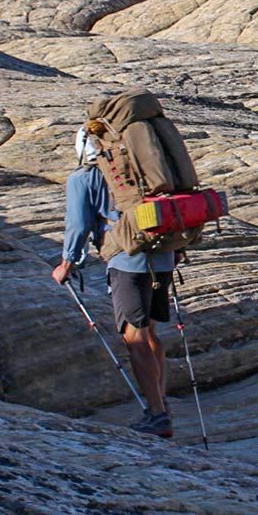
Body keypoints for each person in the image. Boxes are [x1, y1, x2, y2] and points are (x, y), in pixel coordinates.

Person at [52, 127, 176, 438]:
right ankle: (161, 405)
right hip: (162, 257)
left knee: (134, 337)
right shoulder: (140, 169)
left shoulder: (83, 178)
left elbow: (78, 225)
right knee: (150, 333)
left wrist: (67, 263)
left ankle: (158, 415)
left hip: (127, 260)